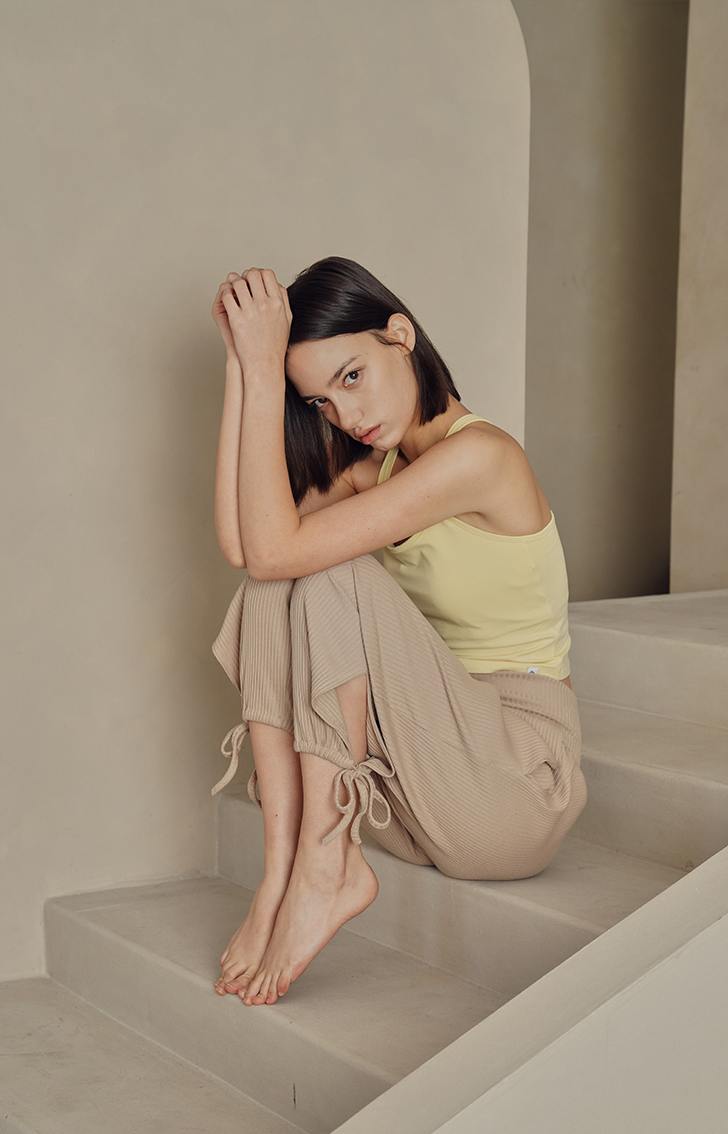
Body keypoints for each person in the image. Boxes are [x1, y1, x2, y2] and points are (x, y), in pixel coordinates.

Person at [209, 257, 587, 1007]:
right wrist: (245, 367)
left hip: (516, 785)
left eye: (352, 376)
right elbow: (247, 547)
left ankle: (327, 861)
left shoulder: (481, 457)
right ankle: (282, 873)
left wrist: (262, 362)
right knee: (274, 581)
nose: (346, 415)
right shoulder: (376, 469)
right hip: (422, 787)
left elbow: (281, 549)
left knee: (326, 569)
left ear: (400, 335)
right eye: (322, 401)